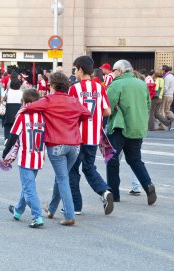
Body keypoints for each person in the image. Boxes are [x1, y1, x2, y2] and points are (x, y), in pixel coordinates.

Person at [20, 72, 91, 226]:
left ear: (52, 85)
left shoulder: (48, 100)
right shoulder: (73, 101)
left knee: (62, 178)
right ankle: (52, 209)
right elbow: (87, 114)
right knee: (62, 177)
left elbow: (28, 107)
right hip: (75, 145)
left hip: (56, 144)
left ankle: (69, 215)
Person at [106, 59, 157, 205]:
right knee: (135, 160)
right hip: (137, 127)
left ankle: (114, 194)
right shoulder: (141, 84)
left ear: (120, 71)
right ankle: (148, 185)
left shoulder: (116, 84)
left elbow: (107, 106)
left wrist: (115, 107)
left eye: (114, 71)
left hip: (119, 127)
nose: (113, 74)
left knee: (112, 160)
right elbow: (147, 104)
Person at [68, 56, 113, 215]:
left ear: (80, 69)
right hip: (93, 136)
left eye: (75, 69)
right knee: (89, 167)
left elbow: (70, 112)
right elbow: (108, 111)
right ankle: (104, 191)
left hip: (77, 137)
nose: (75, 73)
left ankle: (76, 206)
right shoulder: (100, 88)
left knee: (73, 170)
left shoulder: (74, 88)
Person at [2, 88, 45, 228]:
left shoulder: (22, 116)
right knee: (28, 186)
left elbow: (13, 137)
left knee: (29, 189)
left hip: (26, 158)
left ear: (25, 102)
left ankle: (37, 216)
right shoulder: (43, 117)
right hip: (38, 157)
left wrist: (5, 154)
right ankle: (18, 211)